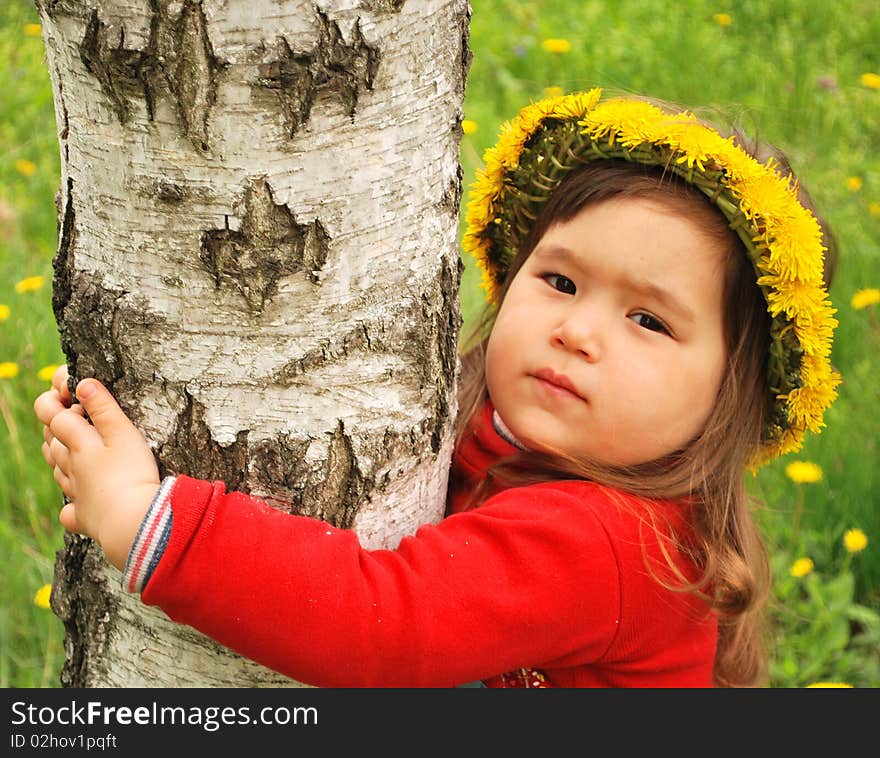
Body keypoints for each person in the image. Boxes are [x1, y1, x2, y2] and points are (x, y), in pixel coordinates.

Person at [34, 88, 839, 688]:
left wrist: (147, 521)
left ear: (732, 397)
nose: (579, 331)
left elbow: (385, 625)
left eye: (650, 321)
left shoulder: (611, 543)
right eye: (560, 280)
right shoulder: (492, 429)